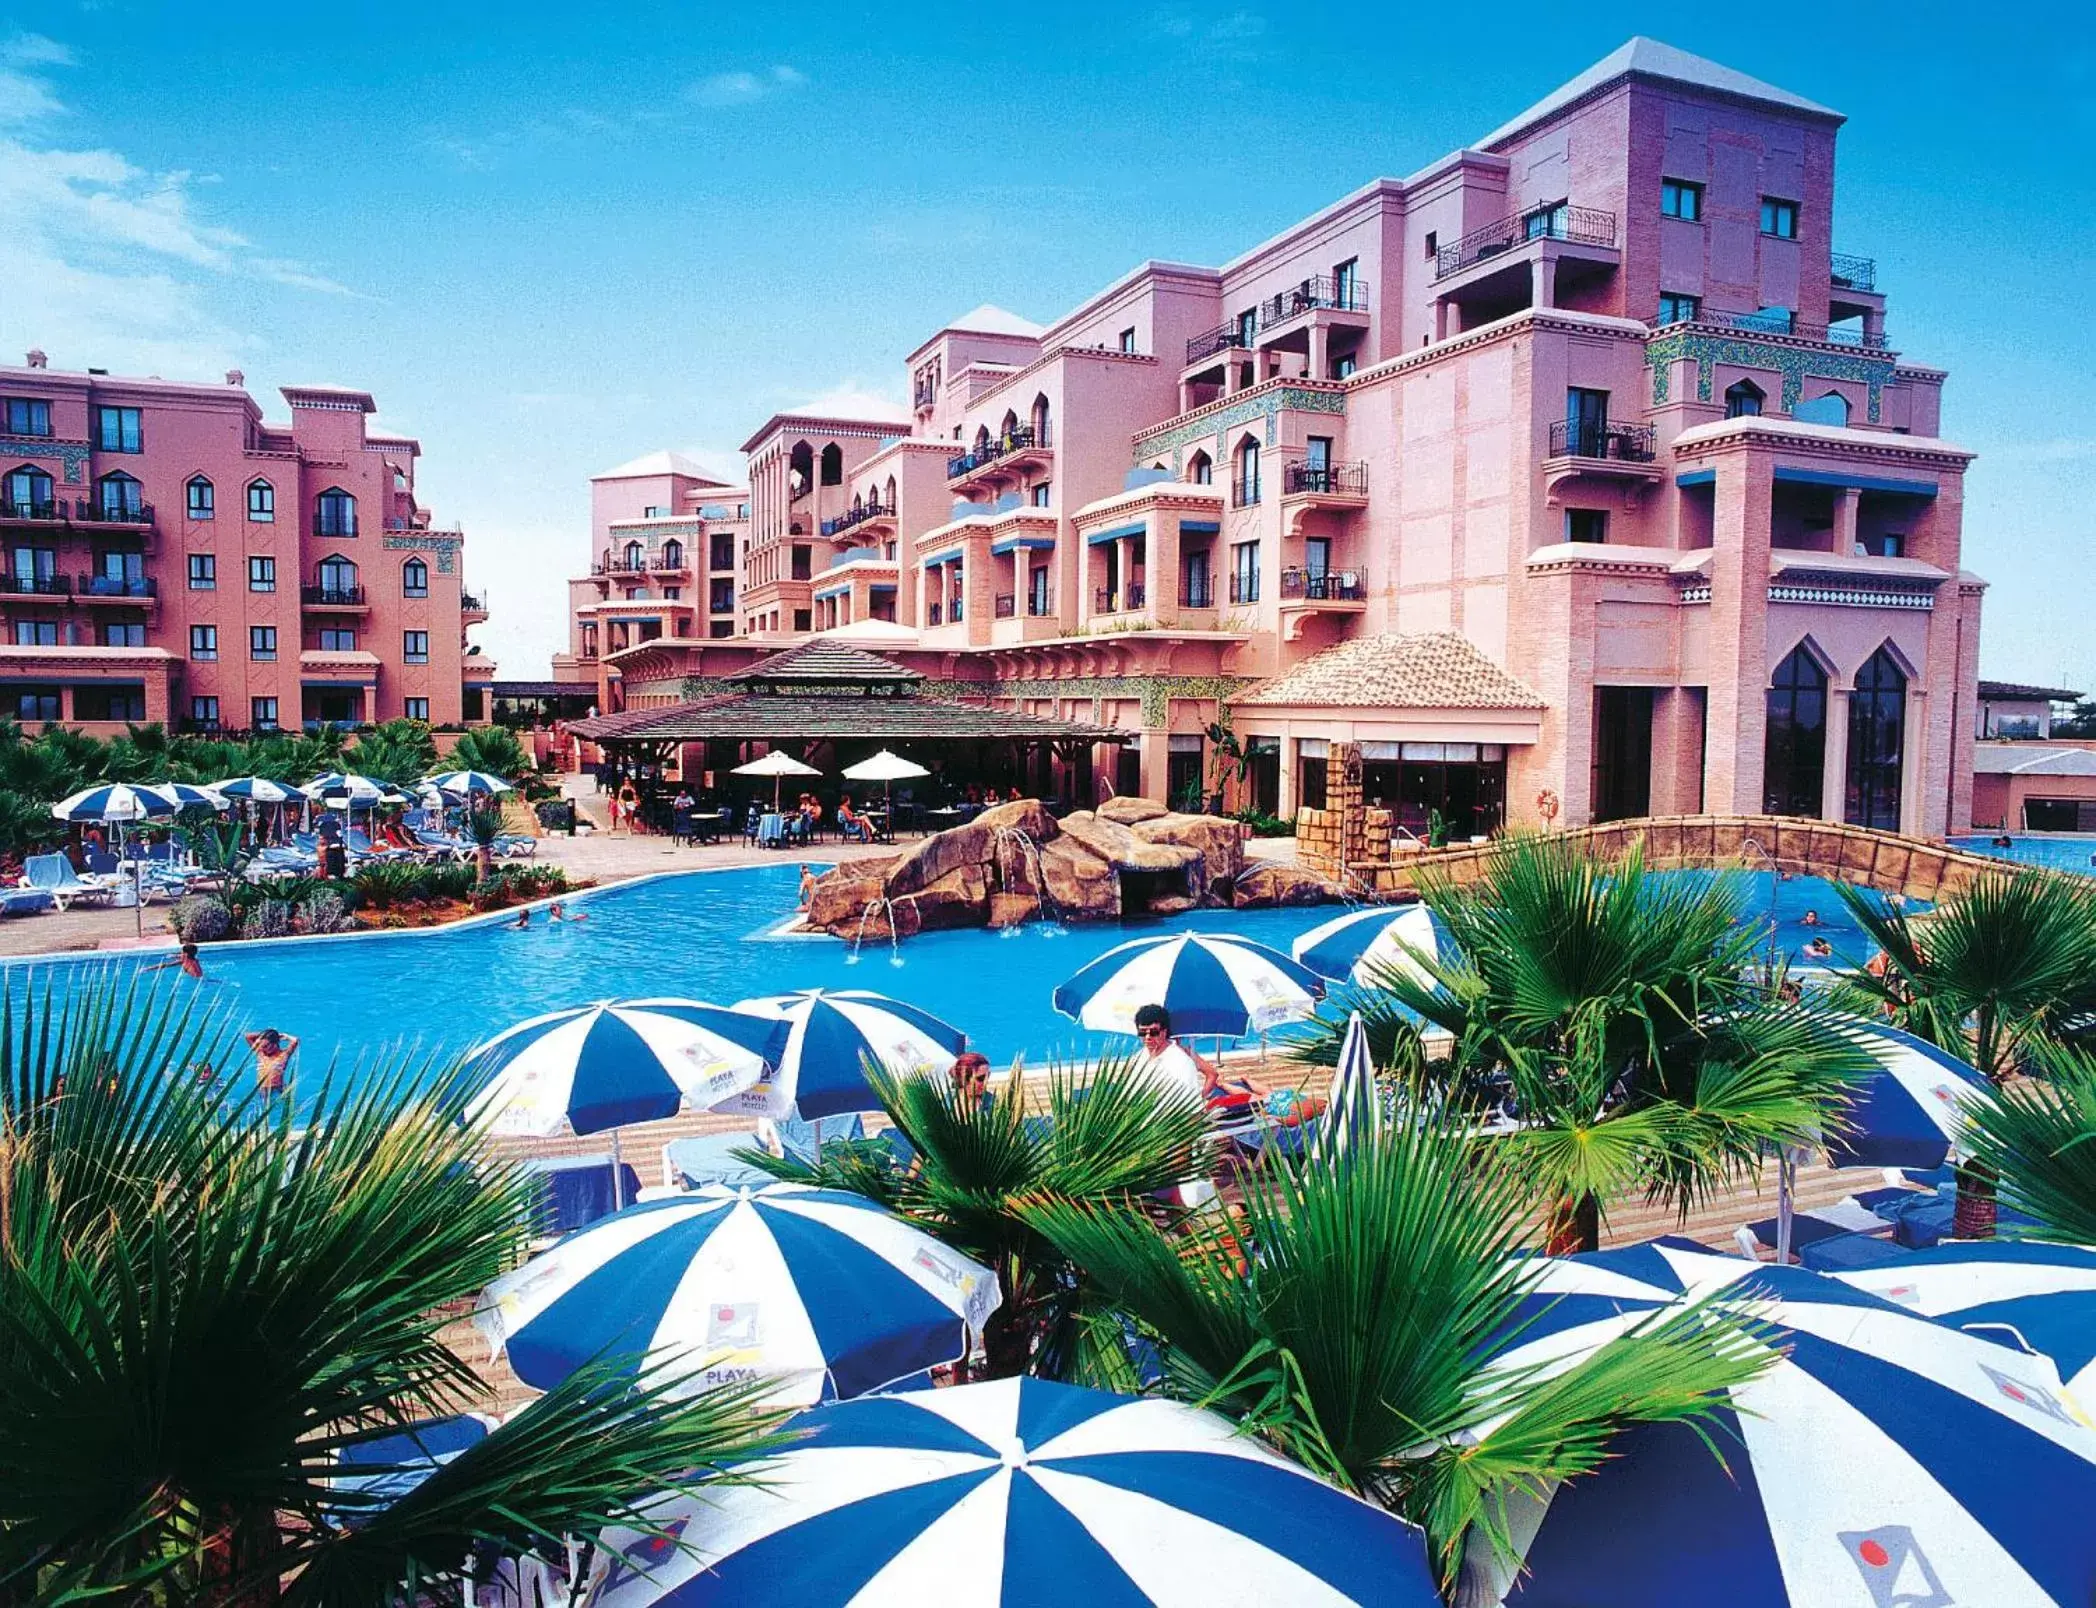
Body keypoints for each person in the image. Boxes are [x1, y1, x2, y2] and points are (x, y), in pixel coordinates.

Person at [1131, 1004, 1216, 1098]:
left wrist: (1202, 1097)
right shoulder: (1139, 1056)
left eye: (1154, 1032)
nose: (1147, 1037)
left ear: (1164, 1031)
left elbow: (1212, 1074)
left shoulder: (1181, 1061)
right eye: (1142, 1032)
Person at [245, 1028, 297, 1098]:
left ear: (275, 1043)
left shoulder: (284, 1055)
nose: (263, 1048)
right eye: (262, 1046)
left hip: (278, 1088)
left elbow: (295, 1040)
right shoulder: (260, 1053)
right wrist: (266, 1035)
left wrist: (283, 1036)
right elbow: (248, 1036)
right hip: (263, 1089)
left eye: (266, 1046)